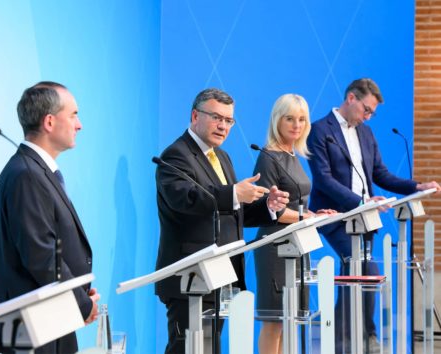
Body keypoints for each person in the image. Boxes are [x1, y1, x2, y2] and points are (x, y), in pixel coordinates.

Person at [307, 78, 441, 351]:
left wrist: (416, 186)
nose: (368, 117)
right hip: (335, 216)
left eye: (372, 113)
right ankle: (366, 336)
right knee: (365, 270)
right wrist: (362, 201)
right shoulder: (320, 130)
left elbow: (381, 174)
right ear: (351, 98)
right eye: (366, 109)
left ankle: (344, 338)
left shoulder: (366, 134)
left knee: (357, 275)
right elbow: (323, 180)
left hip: (365, 219)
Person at [155, 88, 290, 354]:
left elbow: (232, 211)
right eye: (217, 117)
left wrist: (268, 208)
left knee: (211, 348)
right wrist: (234, 193)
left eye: (229, 120)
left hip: (220, 275)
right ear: (195, 115)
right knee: (187, 349)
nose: (223, 126)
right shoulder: (176, 155)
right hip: (190, 277)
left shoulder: (222, 157)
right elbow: (185, 200)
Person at [0, 82, 99, 354]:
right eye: (73, 115)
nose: (79, 124)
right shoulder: (26, 174)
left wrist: (80, 295)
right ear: (49, 121)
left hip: (49, 323)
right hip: (30, 332)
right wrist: (81, 304)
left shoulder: (36, 171)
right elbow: (42, 256)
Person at [252, 94, 336, 354]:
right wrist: (305, 217)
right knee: (275, 323)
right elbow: (271, 209)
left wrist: (314, 213)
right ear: (277, 120)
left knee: (292, 322)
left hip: (297, 246)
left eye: (301, 119)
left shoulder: (293, 155)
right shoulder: (268, 157)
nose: (296, 125)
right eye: (290, 118)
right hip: (274, 247)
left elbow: (296, 205)